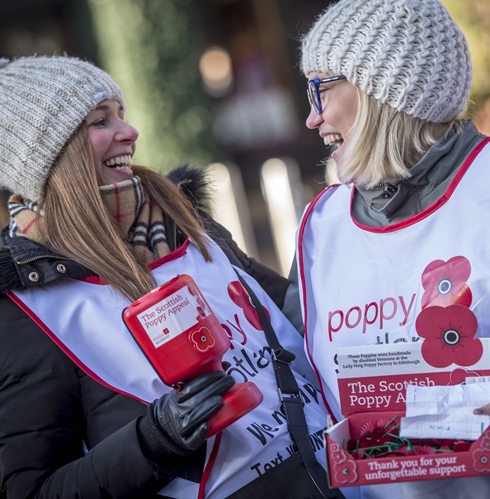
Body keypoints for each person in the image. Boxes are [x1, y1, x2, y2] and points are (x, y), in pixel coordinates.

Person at [284, 0, 490, 498]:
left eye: (321, 88)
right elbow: (296, 389)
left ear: (382, 89)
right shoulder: (319, 229)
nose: (312, 117)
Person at [0, 55, 343, 499]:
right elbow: (32, 490)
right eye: (100, 120)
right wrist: (151, 442)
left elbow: (300, 323)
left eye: (121, 114)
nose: (129, 131)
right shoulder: (27, 307)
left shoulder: (188, 225)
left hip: (344, 481)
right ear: (48, 158)